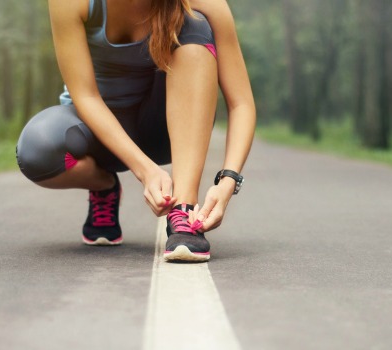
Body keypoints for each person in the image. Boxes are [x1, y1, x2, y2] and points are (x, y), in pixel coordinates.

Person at [15, 0, 255, 262]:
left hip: (162, 132)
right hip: (100, 135)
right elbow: (85, 97)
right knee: (37, 150)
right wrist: (146, 171)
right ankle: (104, 185)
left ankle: (184, 210)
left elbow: (241, 103)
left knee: (195, 24)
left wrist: (228, 182)